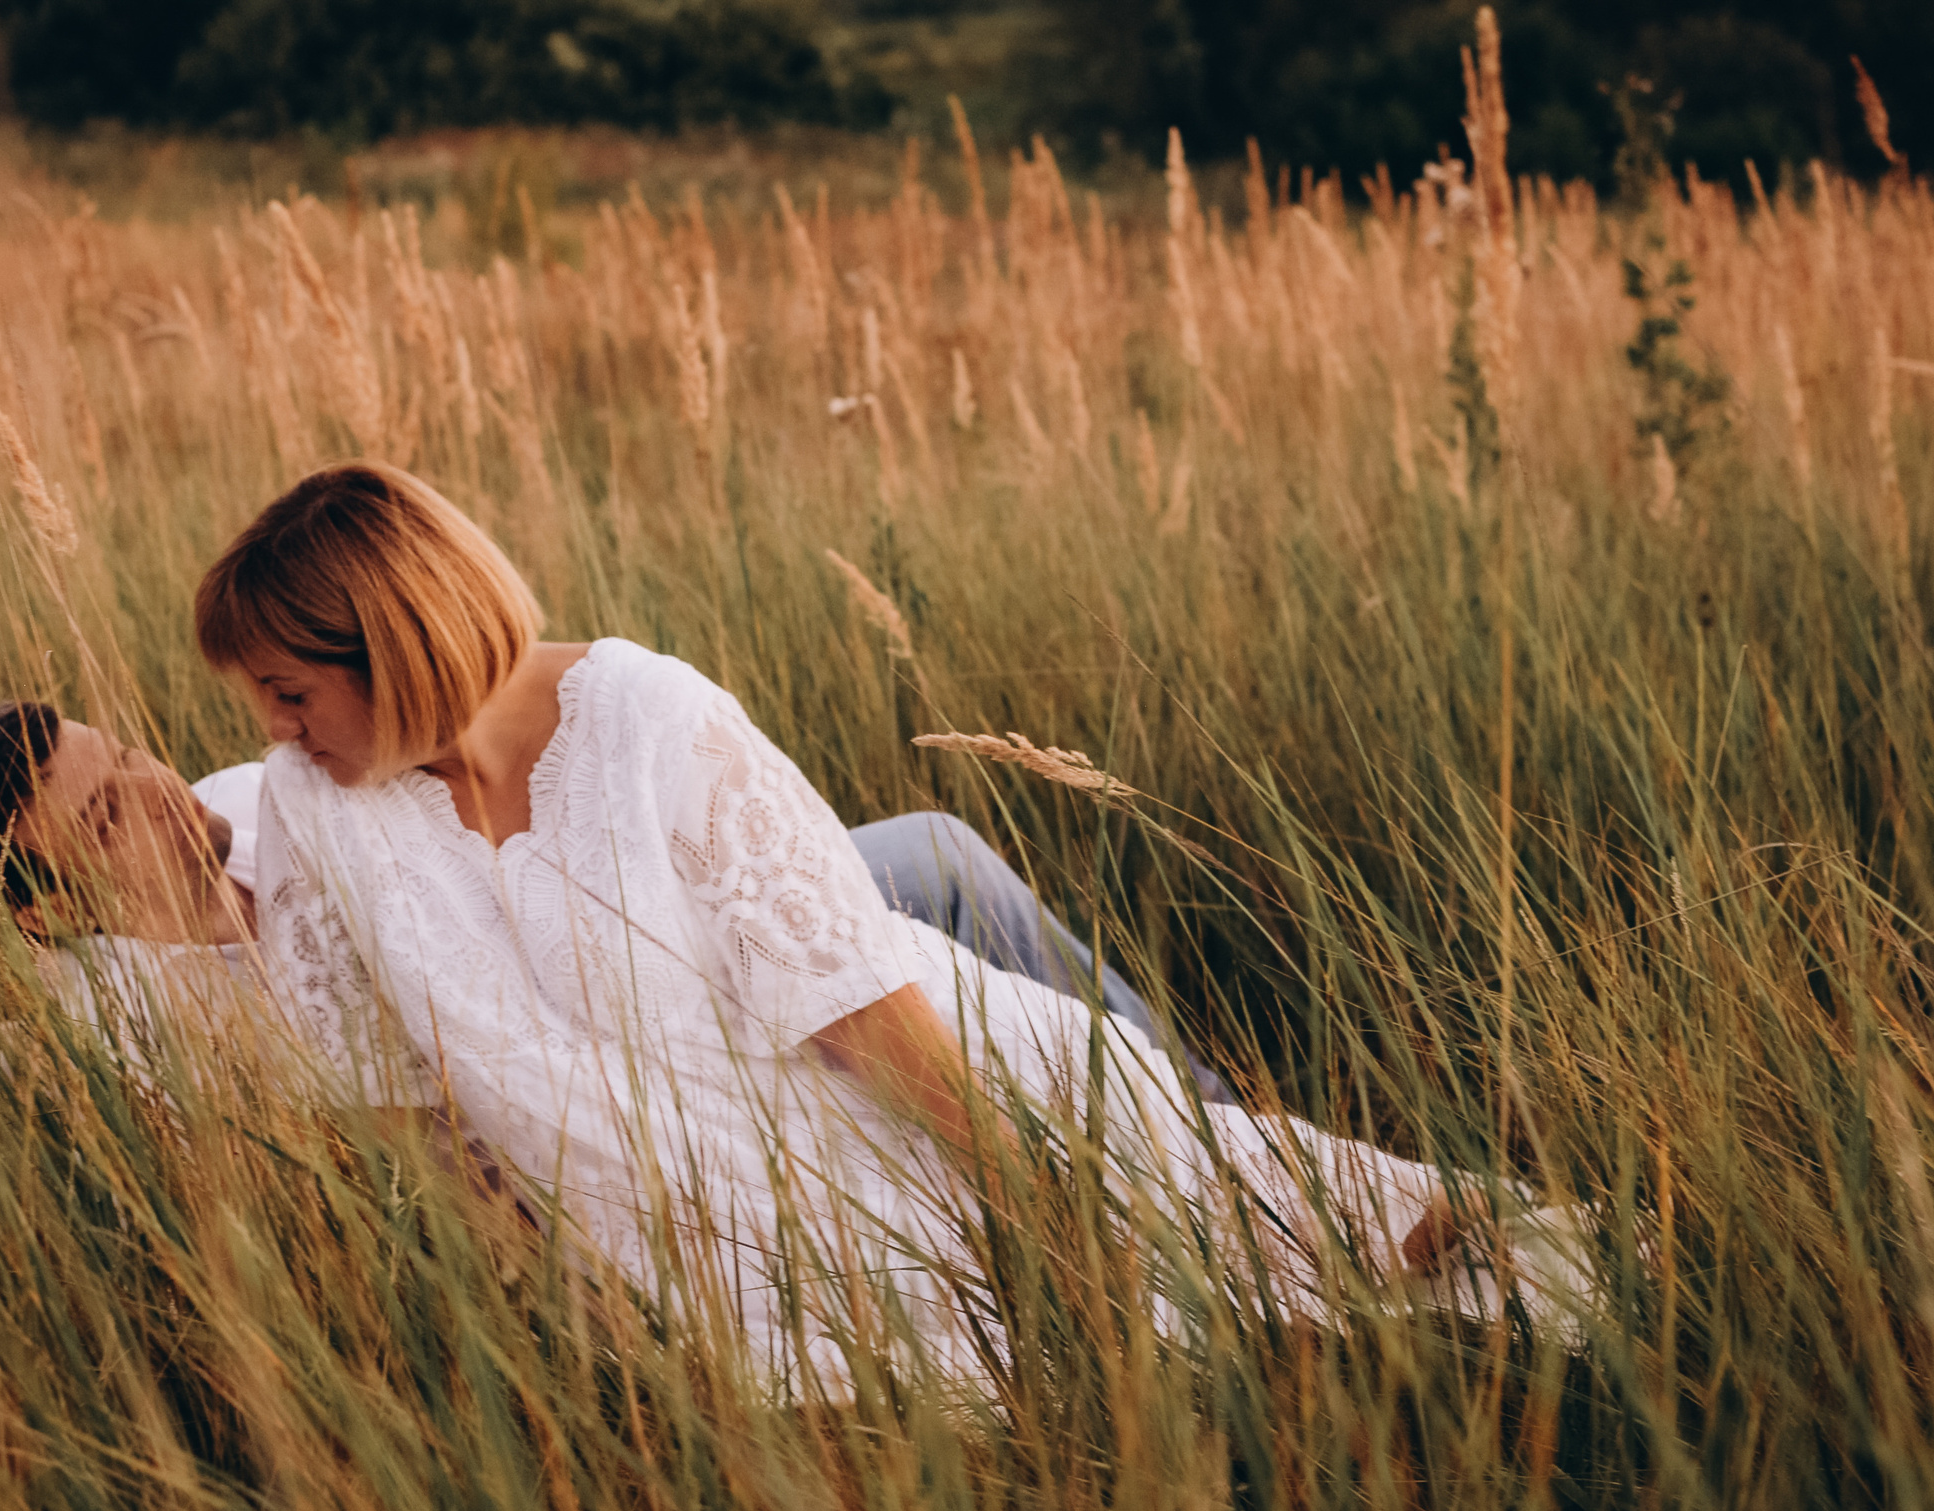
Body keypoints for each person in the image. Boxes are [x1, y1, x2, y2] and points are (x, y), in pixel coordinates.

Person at [191, 462, 1569, 1371]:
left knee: (1302, 1234)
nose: (272, 729)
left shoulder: (644, 715)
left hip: (890, 1091)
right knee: (1026, 1371)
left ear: (403, 642)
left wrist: (1043, 1210)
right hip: (670, 1223)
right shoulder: (319, 803)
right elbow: (398, 1104)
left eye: (289, 689)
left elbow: (849, 999)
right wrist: (571, 1312)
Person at [0, 705, 1229, 1096]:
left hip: (602, 901)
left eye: (124, 751)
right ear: (32, 908)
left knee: (932, 856)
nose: (164, 789)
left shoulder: (261, 788)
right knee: (906, 929)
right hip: (585, 1021)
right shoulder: (141, 1016)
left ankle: (1209, 1107)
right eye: (109, 811)